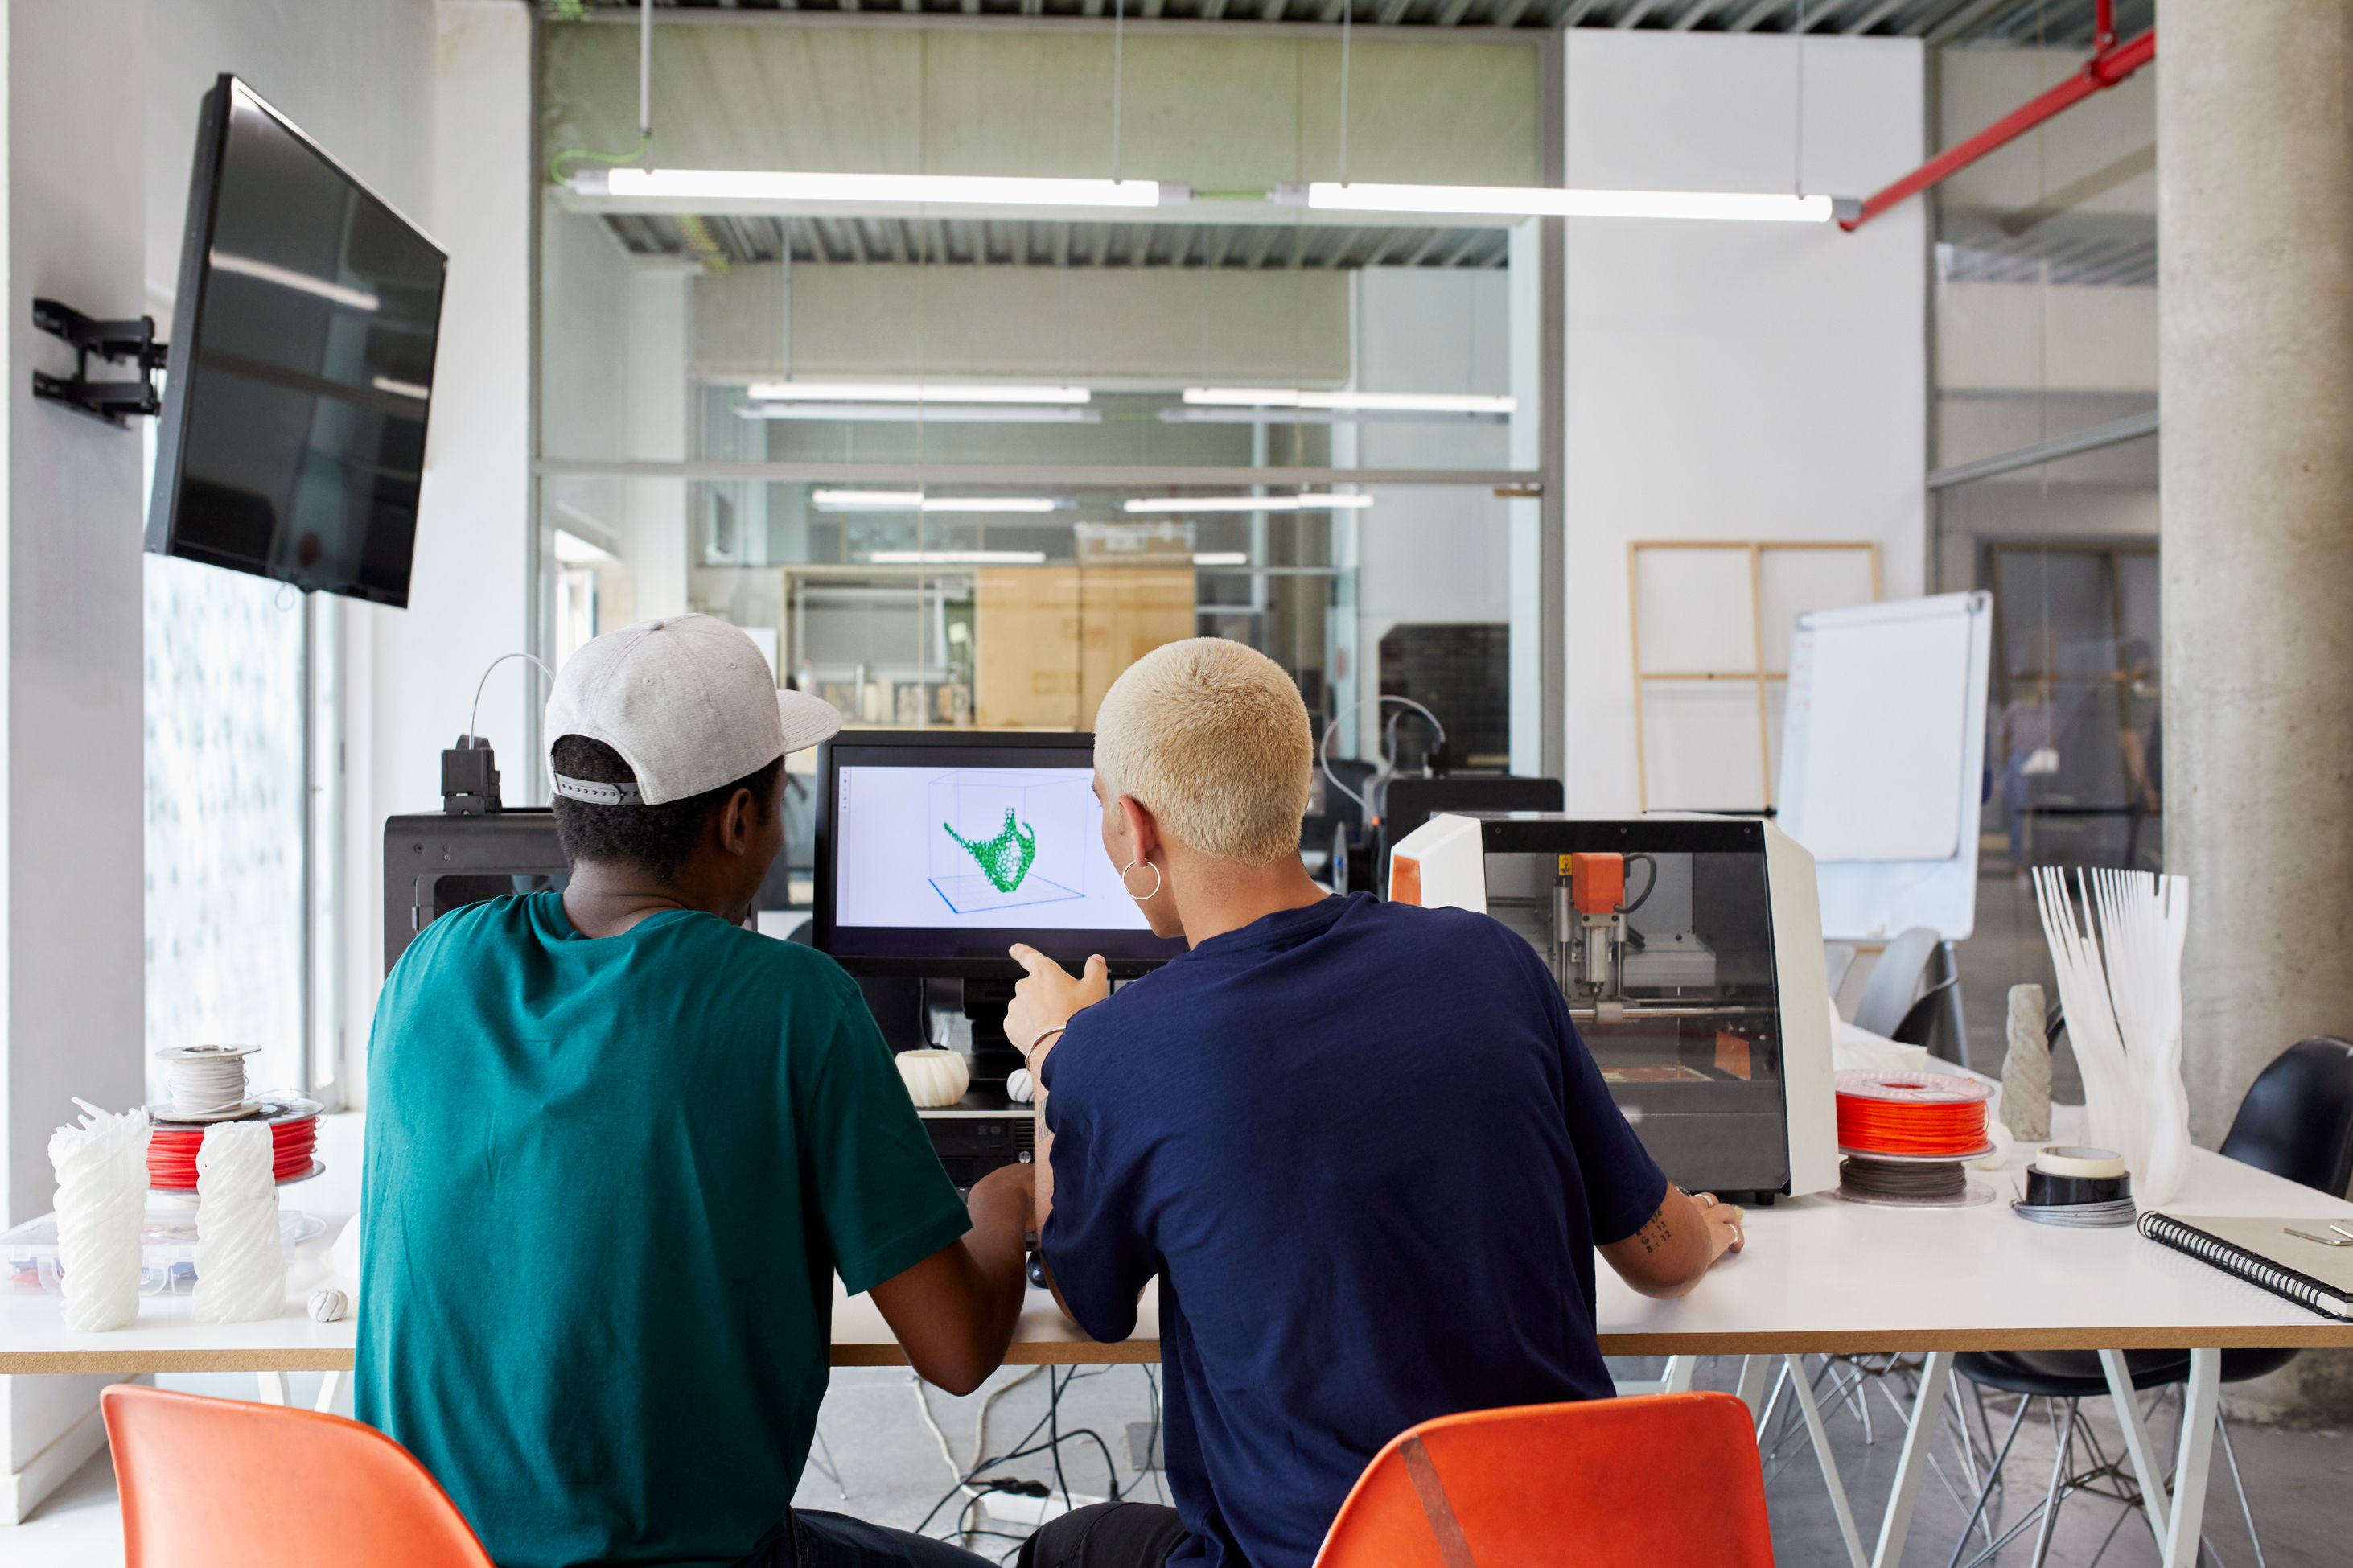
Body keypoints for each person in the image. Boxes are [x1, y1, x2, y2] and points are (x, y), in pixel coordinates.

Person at [1002, 639, 1745, 1568]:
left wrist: (1052, 1055)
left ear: (1137, 827)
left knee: (1066, 1549)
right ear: (1300, 789)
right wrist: (1709, 1230)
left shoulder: (1119, 1048)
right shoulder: (1491, 961)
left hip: (1324, 1554)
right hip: (1577, 1538)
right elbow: (1664, 1256)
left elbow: (1089, 1302)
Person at [356, 615, 1029, 1568]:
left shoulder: (431, 967)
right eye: (782, 790)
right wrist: (1004, 1202)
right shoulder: (794, 1004)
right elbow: (957, 1353)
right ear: (740, 820)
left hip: (426, 1552)